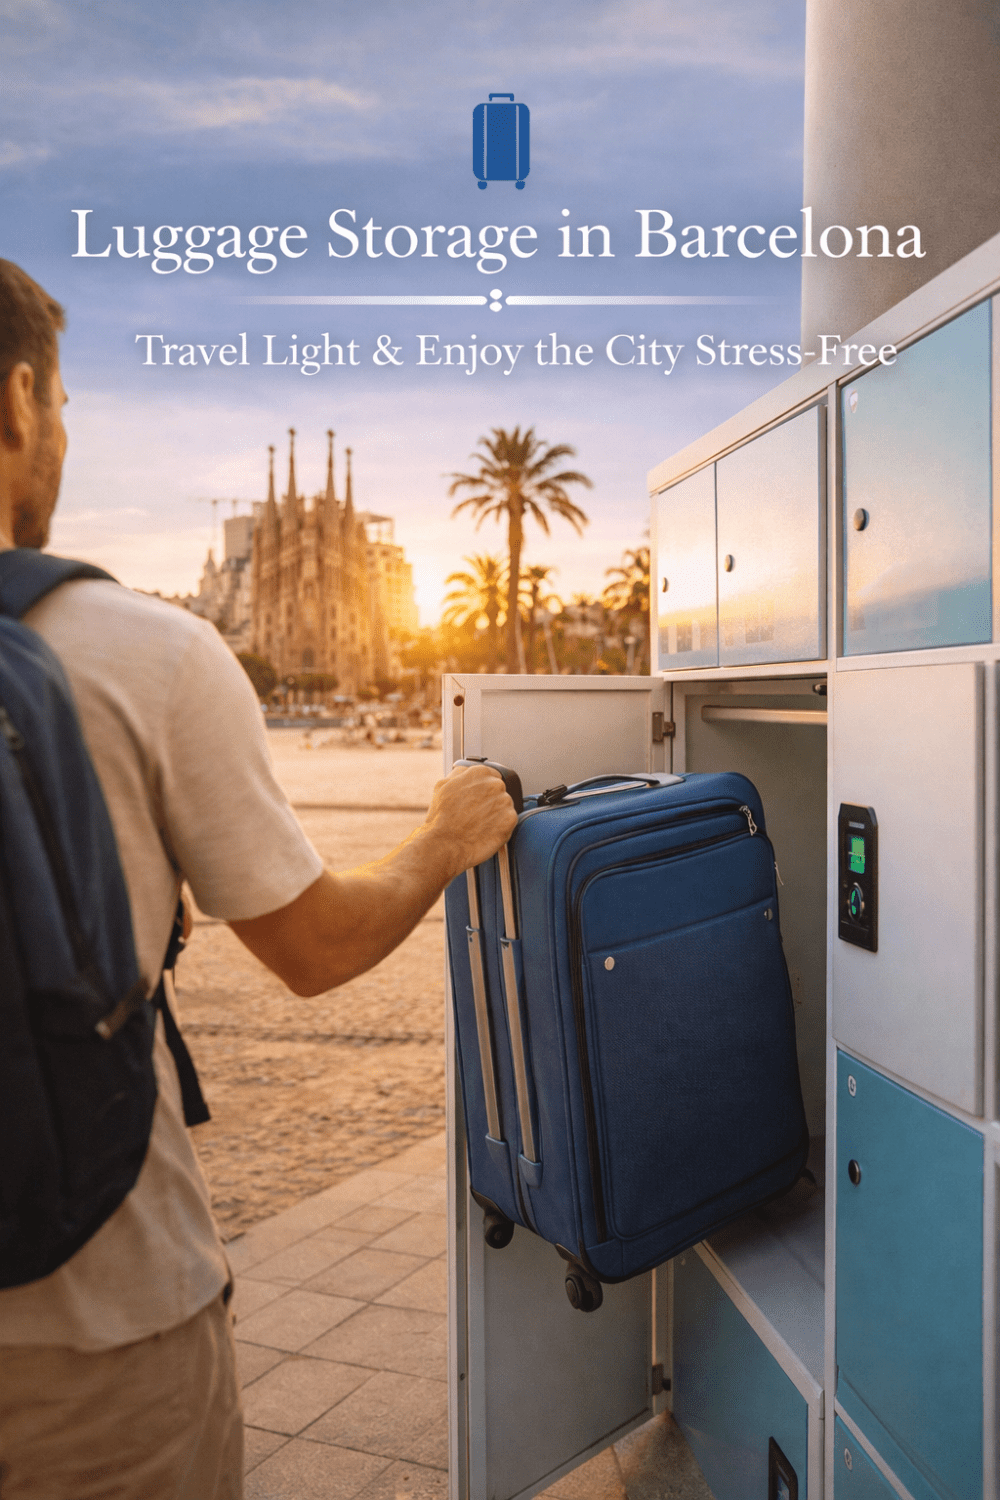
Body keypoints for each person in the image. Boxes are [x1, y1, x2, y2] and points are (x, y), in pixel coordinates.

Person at [0, 258, 517, 1500]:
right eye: (63, 403)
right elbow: (315, 948)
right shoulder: (140, 653)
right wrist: (443, 839)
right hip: (88, 1331)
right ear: (18, 402)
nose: (64, 430)